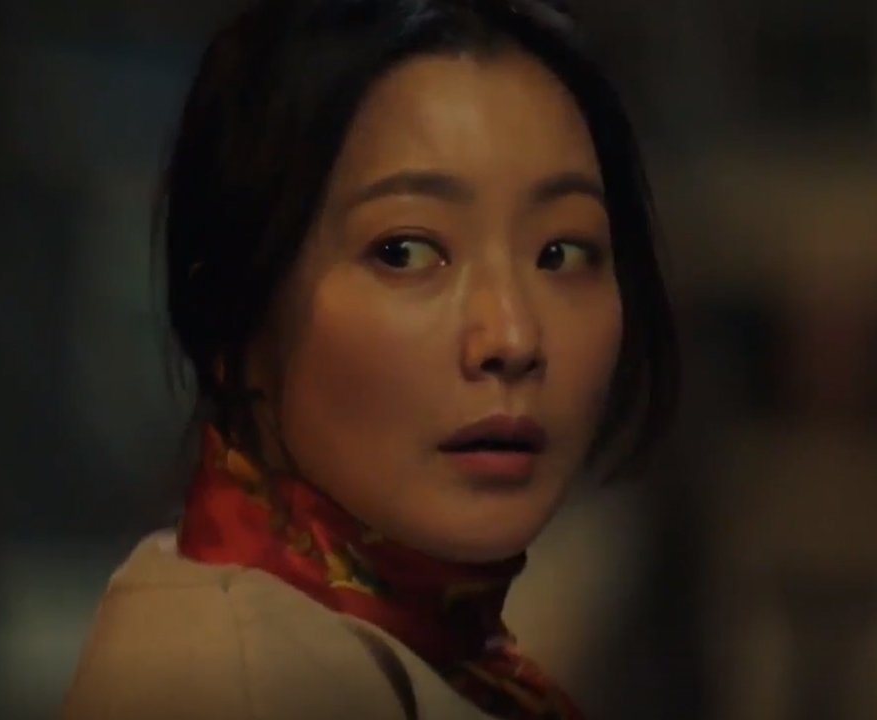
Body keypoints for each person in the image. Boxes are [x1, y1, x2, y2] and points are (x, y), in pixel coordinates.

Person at [62, 0, 676, 718]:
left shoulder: (408, 650)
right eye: (405, 251)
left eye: (561, 253)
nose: (513, 337)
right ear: (233, 309)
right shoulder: (238, 682)